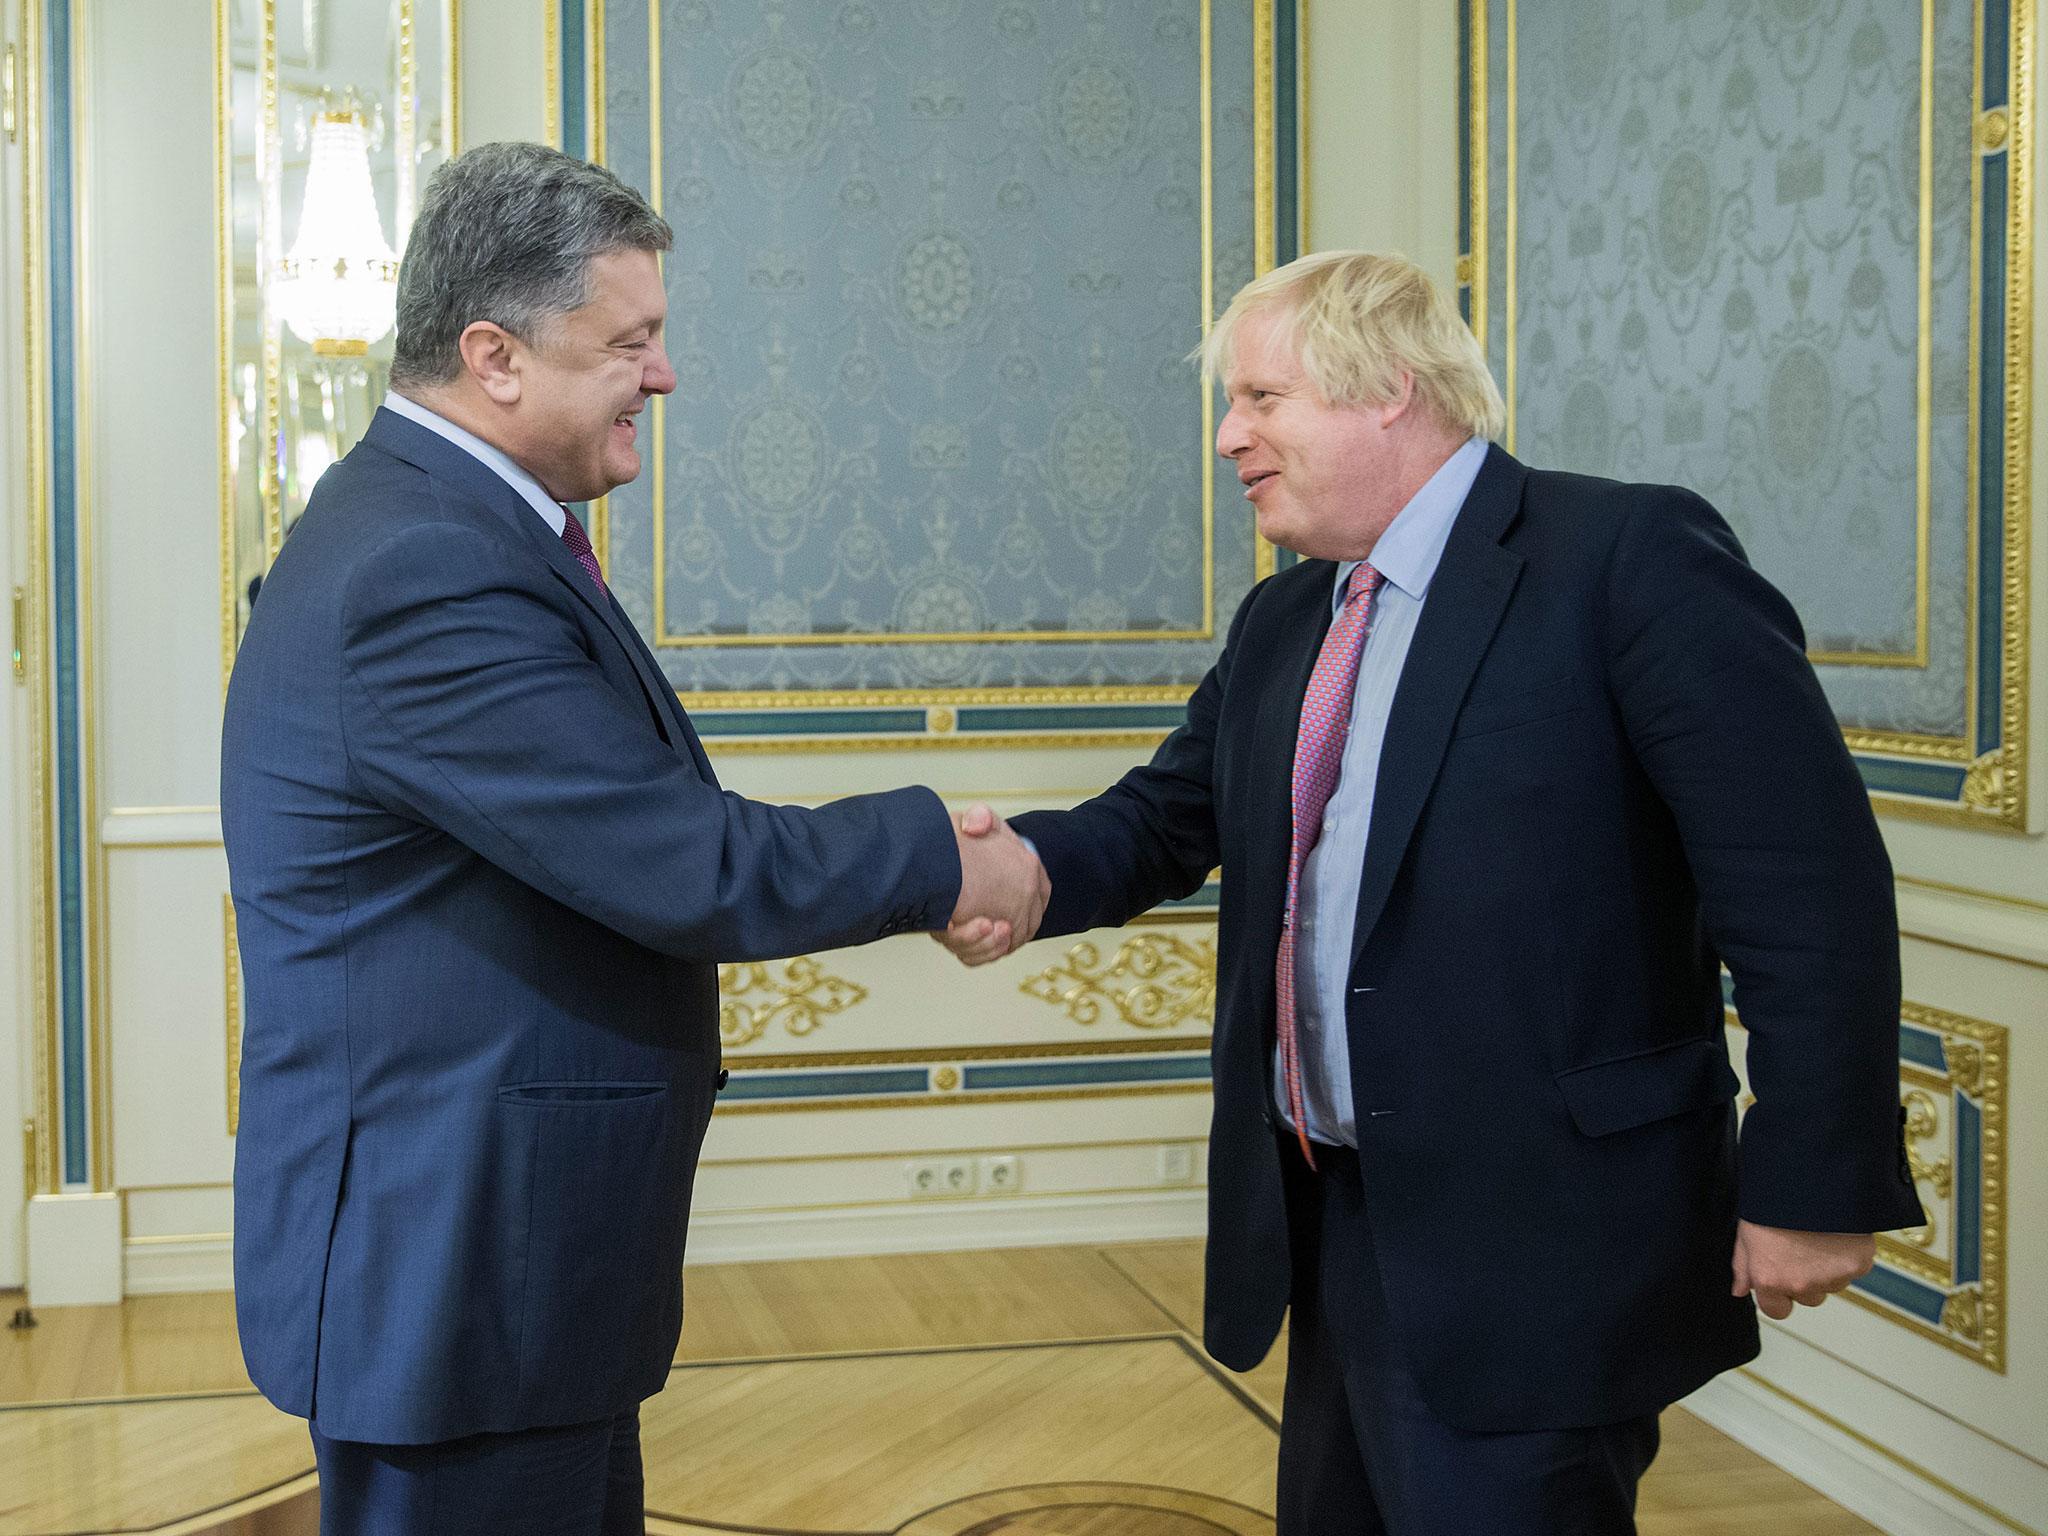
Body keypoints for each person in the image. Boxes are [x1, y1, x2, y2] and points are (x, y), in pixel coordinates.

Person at [941, 251, 1924, 1534]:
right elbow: (1165, 817)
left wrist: (1813, 1179)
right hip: (1334, 1213)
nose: (1229, 438)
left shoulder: (1624, 558)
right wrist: (1014, 869)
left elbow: (1806, 887)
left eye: (1259, 398)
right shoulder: (1288, 618)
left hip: (1542, 1242)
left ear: (1387, 390)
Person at [221, 141, 1046, 1535]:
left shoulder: (445, 528)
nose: (663, 376)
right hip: (459, 1267)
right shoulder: (425, 569)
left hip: (503, 1266)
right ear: (494, 354)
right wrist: (945, 856)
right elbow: (685, 862)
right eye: (633, 341)